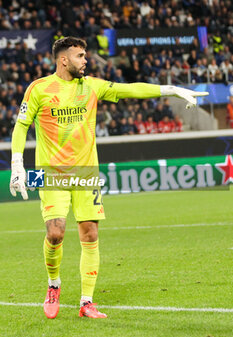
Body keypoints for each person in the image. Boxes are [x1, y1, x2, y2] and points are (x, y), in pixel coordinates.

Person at [9, 36, 208, 320]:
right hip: (50, 172)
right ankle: (54, 284)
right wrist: (17, 163)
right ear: (63, 59)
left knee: (89, 234)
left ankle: (87, 302)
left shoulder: (91, 85)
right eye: (80, 56)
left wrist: (171, 89)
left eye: (85, 55)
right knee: (55, 233)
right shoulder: (39, 88)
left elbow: (130, 90)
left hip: (87, 172)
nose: (85, 60)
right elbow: (21, 126)